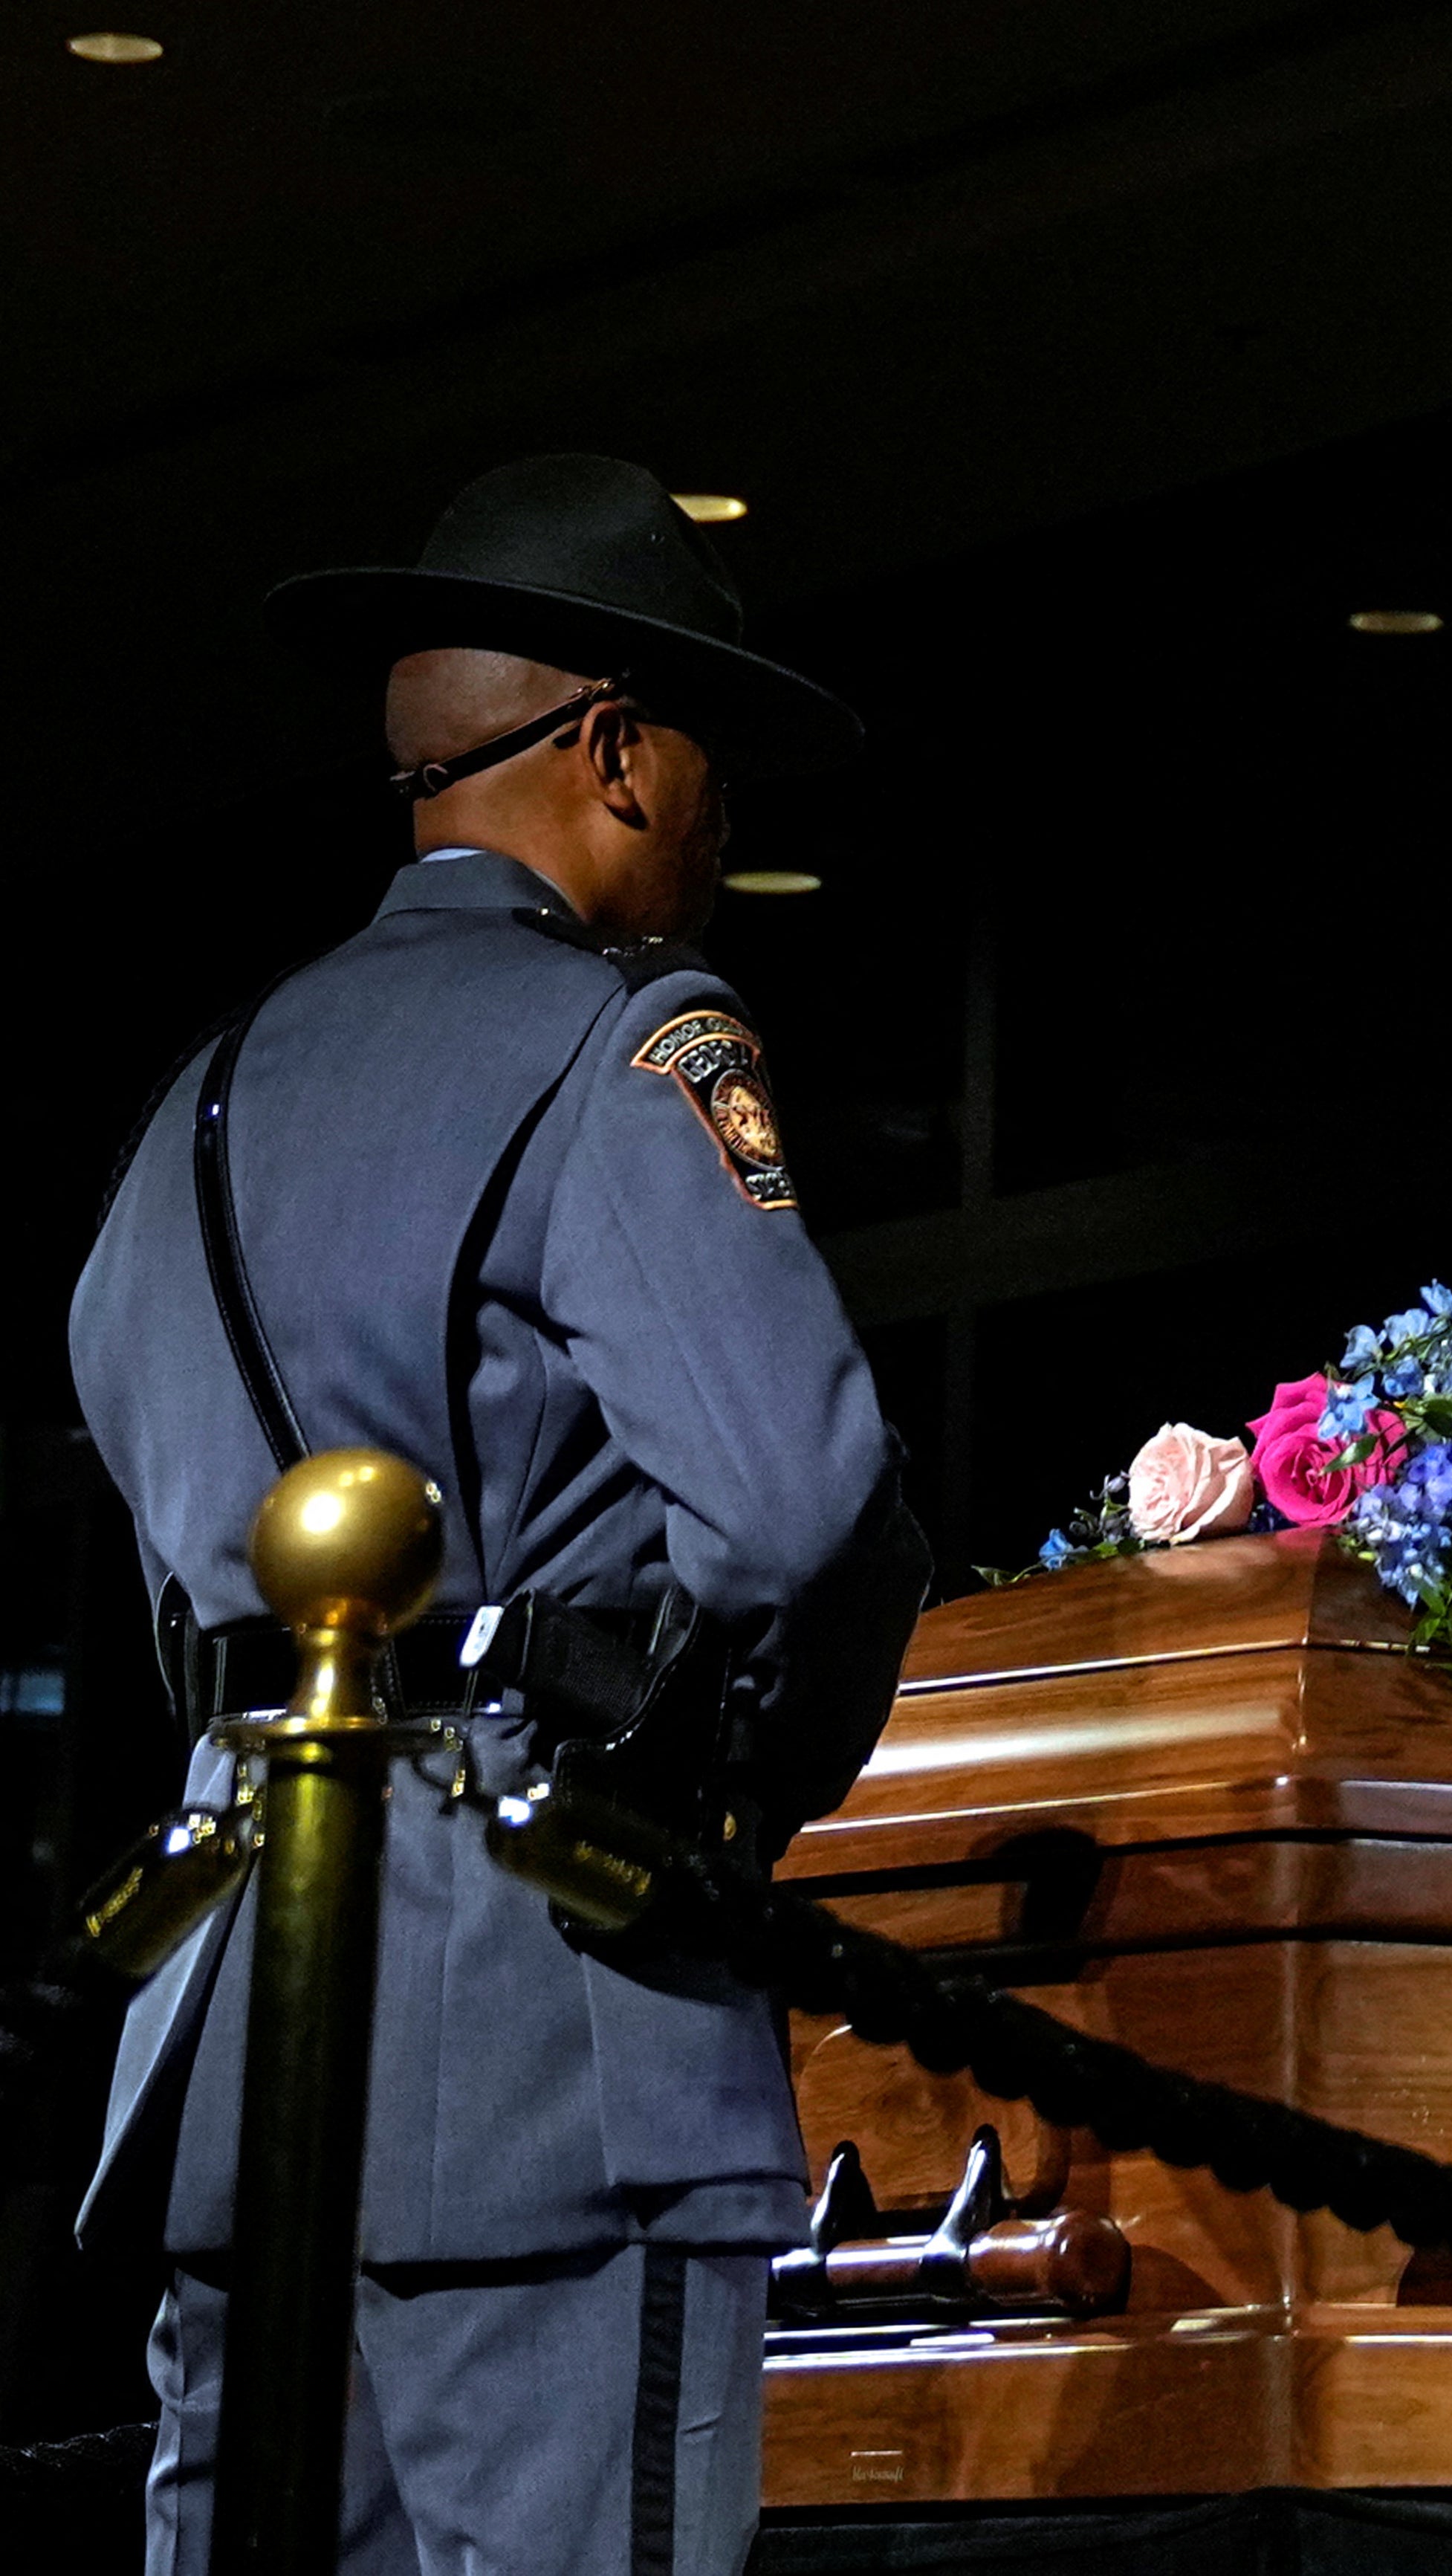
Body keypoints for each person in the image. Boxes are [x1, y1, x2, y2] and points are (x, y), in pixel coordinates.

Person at [69, 455, 932, 2576]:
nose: (727, 819)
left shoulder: (195, 1098)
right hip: (557, 2039)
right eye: (711, 751)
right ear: (620, 751)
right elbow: (800, 1512)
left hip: (229, 2037)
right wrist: (710, 1818)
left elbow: (148, 1480)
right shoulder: (631, 1045)